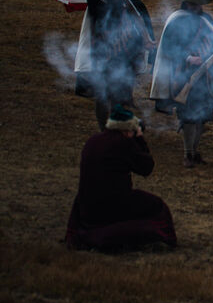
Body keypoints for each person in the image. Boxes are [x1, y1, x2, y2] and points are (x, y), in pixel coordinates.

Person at [149, 0, 213, 167]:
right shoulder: (176, 20)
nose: (196, 7)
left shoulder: (206, 19)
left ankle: (195, 151)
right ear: (186, 3)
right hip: (183, 75)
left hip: (206, 76)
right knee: (189, 116)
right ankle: (187, 153)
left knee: (202, 115)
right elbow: (168, 48)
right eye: (193, 4)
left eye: (198, 4)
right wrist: (188, 58)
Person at [64, 105, 177, 251]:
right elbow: (146, 167)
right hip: (111, 203)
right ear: (126, 130)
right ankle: (156, 237)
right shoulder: (123, 143)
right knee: (157, 206)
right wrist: (140, 139)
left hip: (86, 203)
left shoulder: (93, 140)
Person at [77, 0, 153, 129]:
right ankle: (104, 126)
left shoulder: (126, 8)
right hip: (104, 59)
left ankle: (115, 124)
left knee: (118, 95)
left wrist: (143, 45)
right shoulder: (100, 6)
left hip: (123, 59)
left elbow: (132, 32)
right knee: (103, 95)